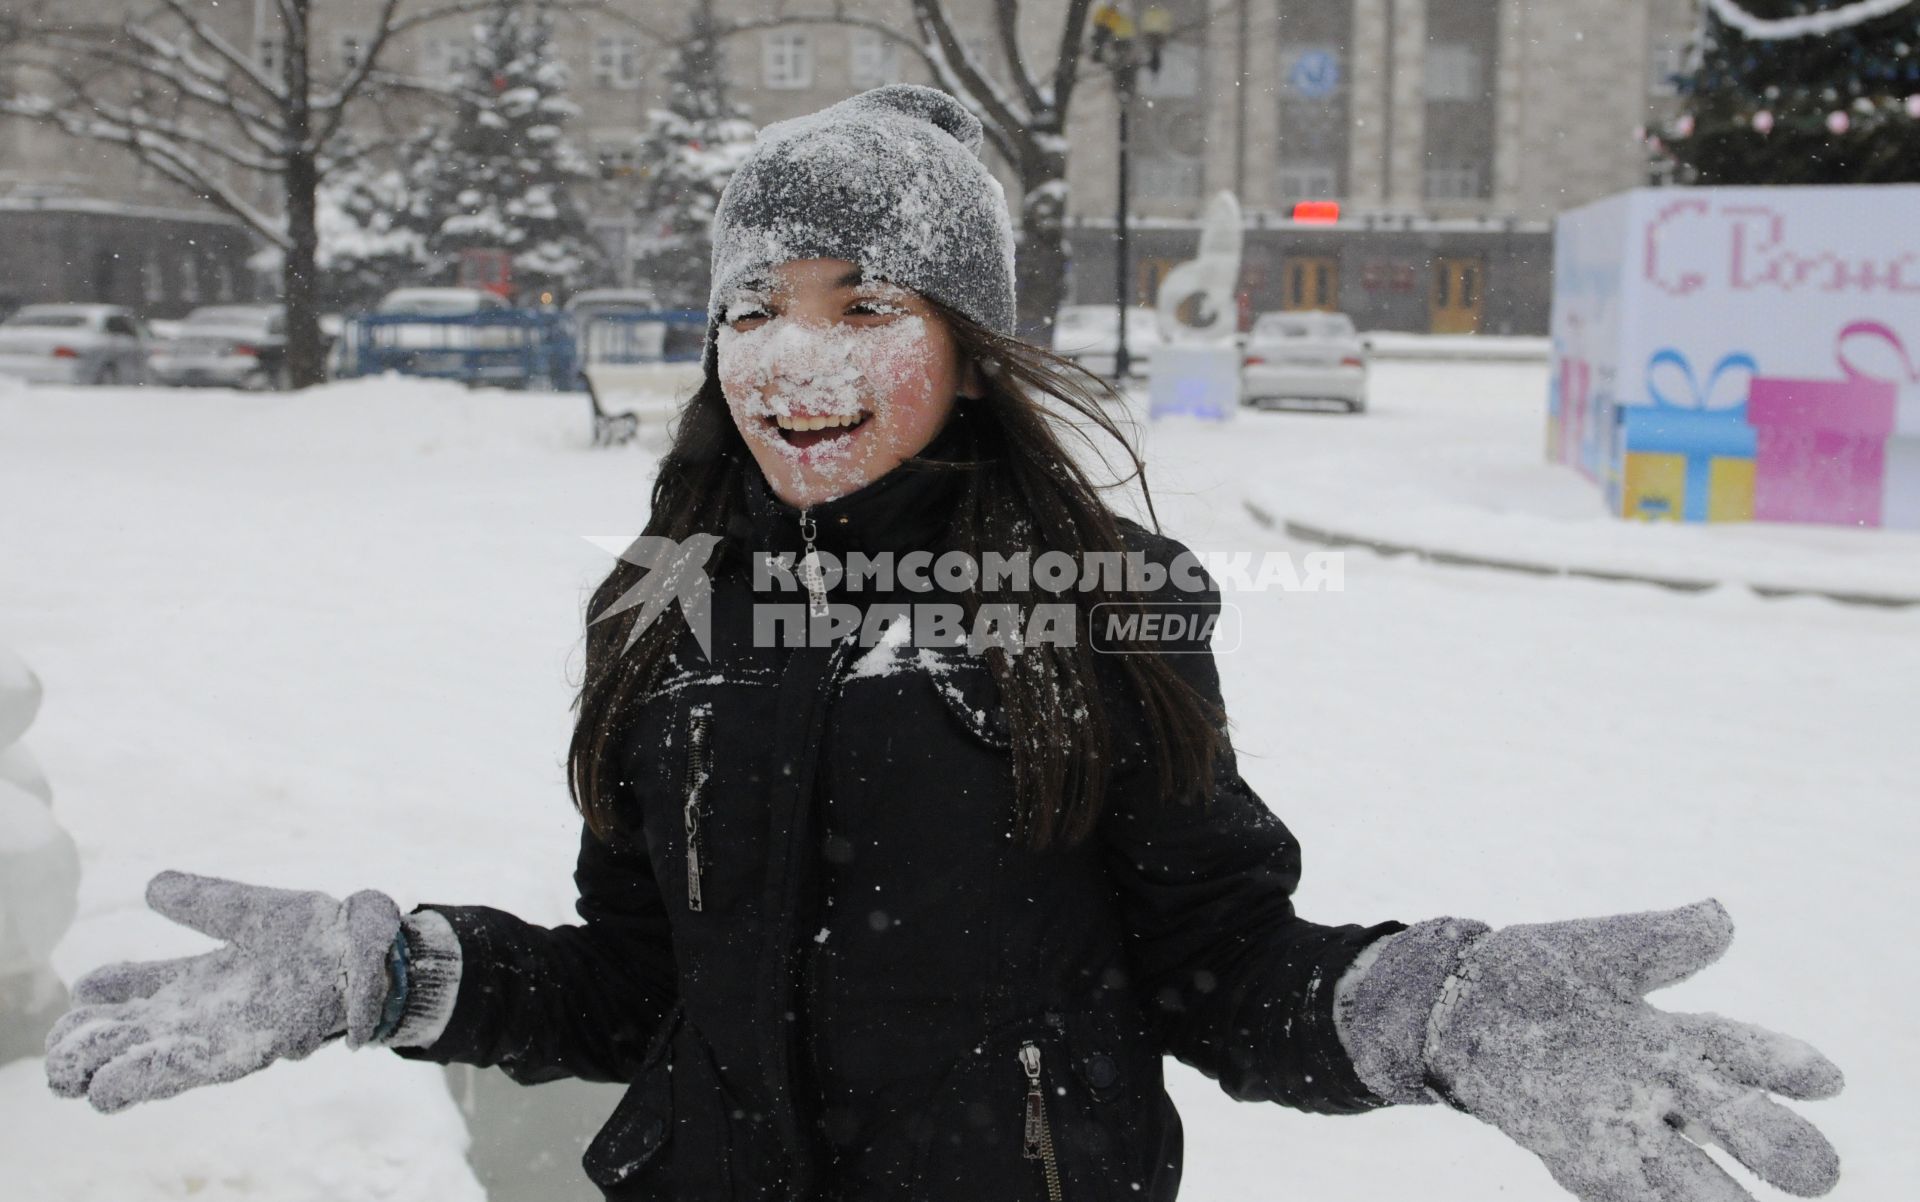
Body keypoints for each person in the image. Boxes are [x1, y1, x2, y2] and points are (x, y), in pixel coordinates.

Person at [43, 86, 1842, 1202]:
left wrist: (1424, 1005)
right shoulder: (666, 607)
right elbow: (637, 981)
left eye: (864, 307)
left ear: (969, 345)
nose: (790, 359)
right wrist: (397, 967)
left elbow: (1217, 961)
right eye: (752, 308)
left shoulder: (1101, 603)